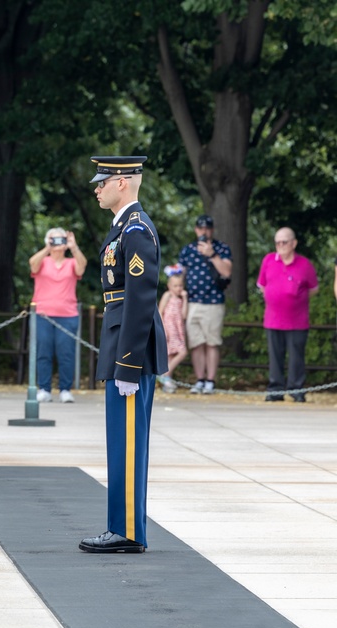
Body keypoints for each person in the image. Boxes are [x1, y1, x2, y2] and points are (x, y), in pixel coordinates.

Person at [79, 155, 167, 555]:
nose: (97, 188)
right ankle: (122, 526)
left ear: (123, 183)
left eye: (102, 182)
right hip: (120, 345)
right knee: (121, 442)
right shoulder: (123, 229)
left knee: (128, 443)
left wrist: (128, 364)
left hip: (129, 351)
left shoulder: (136, 230)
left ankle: (128, 531)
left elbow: (140, 301)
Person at [256, 227, 319, 402]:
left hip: (297, 320)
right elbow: (262, 285)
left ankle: (296, 389)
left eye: (284, 242)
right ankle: (275, 389)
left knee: (296, 356)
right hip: (273, 319)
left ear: (294, 243)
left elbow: (313, 289)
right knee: (275, 356)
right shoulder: (268, 260)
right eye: (277, 242)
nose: (280, 246)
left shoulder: (304, 264)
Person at [28, 226, 87, 404]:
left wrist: (74, 246)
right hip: (42, 314)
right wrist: (47, 247)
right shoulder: (43, 261)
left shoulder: (71, 262)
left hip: (68, 315)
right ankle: (44, 389)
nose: (58, 243)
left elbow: (81, 267)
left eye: (61, 239)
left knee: (66, 353)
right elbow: (32, 264)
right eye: (54, 239)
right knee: (43, 352)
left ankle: (65, 390)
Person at [178, 214, 232, 394]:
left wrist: (212, 255)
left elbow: (226, 272)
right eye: (201, 228)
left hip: (213, 302)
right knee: (196, 343)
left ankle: (211, 381)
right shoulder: (187, 250)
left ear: (212, 230)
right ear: (196, 230)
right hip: (192, 302)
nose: (204, 232)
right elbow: (180, 274)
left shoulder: (222, 249)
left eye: (207, 228)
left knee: (212, 342)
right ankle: (200, 379)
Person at [158, 265, 188, 393]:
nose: (178, 288)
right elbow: (160, 311)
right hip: (168, 328)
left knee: (172, 355)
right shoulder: (167, 296)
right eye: (175, 286)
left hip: (178, 329)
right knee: (183, 352)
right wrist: (162, 329)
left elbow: (184, 315)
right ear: (169, 286)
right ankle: (165, 375)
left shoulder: (181, 299)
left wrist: (185, 298)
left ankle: (167, 381)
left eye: (180, 286)